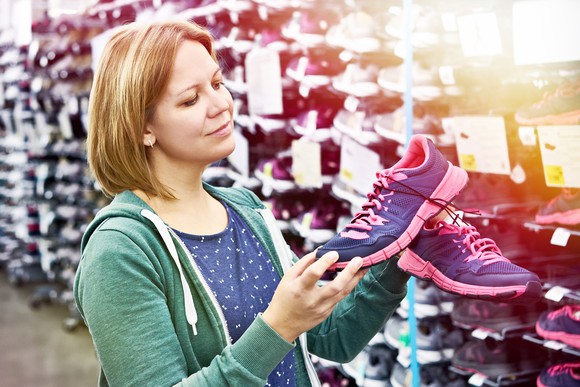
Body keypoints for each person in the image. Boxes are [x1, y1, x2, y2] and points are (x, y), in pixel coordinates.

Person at [73, 19, 409, 387]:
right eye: (190, 99)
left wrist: (402, 247)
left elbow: (334, 335)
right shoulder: (120, 251)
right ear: (142, 128)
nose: (221, 105)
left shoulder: (247, 211)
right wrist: (278, 327)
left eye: (217, 84)